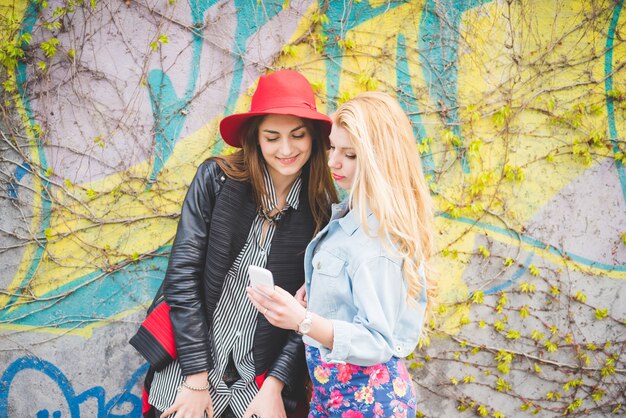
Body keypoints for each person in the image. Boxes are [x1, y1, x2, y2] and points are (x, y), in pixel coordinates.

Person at [147, 70, 338, 418]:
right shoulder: (216, 180)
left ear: (312, 137)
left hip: (261, 383)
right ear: (255, 138)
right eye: (272, 137)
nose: (286, 149)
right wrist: (196, 378)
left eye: (297, 135)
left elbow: (311, 310)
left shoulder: (321, 210)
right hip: (190, 370)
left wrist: (275, 384)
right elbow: (182, 277)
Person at [247, 91, 436, 416]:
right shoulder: (351, 214)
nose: (333, 161)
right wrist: (320, 293)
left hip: (367, 401)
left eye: (350, 154)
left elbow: (377, 341)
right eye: (333, 147)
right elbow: (352, 291)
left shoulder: (377, 240)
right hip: (334, 394)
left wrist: (302, 320)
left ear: (380, 158)